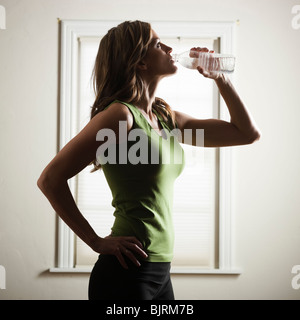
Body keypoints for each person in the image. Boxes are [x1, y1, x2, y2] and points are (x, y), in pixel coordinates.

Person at [37, 20, 260, 300]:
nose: (169, 48)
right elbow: (50, 179)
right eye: (157, 44)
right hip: (126, 273)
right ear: (140, 63)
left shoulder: (166, 117)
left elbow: (245, 133)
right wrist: (94, 241)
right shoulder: (120, 116)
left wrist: (221, 79)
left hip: (160, 271)